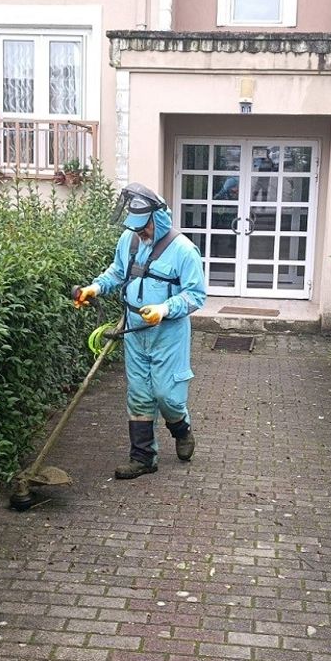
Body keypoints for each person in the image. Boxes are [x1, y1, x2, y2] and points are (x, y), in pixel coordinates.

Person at [73, 183, 207, 479]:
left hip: (168, 333)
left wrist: (164, 309)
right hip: (134, 329)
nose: (140, 233)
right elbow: (117, 272)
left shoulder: (184, 250)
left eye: (144, 226)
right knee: (139, 393)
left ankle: (181, 429)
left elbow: (196, 296)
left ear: (157, 218)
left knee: (167, 394)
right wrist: (95, 288)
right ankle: (143, 458)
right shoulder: (129, 240)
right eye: (135, 227)